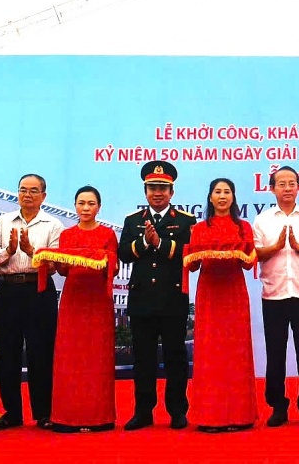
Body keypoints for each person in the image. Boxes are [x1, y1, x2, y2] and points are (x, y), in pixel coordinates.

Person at [118, 161, 196, 430]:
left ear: (172, 192)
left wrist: (160, 243)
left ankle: (177, 411)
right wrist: (143, 242)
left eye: (163, 188)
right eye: (152, 188)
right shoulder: (132, 221)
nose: (158, 193)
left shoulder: (185, 220)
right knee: (143, 359)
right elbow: (123, 254)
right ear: (145, 191)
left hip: (172, 299)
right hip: (142, 300)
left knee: (175, 357)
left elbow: (188, 255)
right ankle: (143, 412)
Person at [253, 165, 299, 428]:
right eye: (281, 184)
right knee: (275, 354)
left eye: (291, 183)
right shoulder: (262, 220)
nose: (287, 188)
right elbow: (255, 255)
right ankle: (278, 406)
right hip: (273, 294)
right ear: (271, 188)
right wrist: (275, 247)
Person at [0, 174, 63, 429]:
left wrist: (34, 252)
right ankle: (12, 413)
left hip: (39, 289)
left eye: (33, 190)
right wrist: (10, 250)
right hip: (8, 289)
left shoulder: (53, 224)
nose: (27, 195)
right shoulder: (2, 221)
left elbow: (55, 264)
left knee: (40, 351)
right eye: (23, 190)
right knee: (7, 352)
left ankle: (43, 413)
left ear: (44, 196)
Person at [186, 178, 258, 432]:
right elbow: (192, 265)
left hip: (234, 292)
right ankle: (210, 417)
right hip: (209, 294)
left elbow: (248, 264)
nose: (223, 196)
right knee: (210, 353)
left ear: (233, 197)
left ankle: (240, 416)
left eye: (227, 191)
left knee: (236, 351)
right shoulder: (199, 228)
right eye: (218, 192)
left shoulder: (243, 227)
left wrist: (242, 252)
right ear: (210, 197)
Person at [50, 186, 119, 432]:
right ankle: (66, 417)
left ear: (99, 207)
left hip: (98, 299)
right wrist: (55, 260)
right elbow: (63, 271)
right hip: (73, 299)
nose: (86, 208)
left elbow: (114, 268)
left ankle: (99, 417)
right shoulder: (67, 235)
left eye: (91, 203)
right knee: (69, 356)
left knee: (98, 357)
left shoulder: (108, 234)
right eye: (81, 203)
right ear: (75, 206)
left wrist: (101, 258)